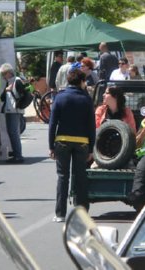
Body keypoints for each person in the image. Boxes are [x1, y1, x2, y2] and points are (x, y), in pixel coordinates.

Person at [48, 69, 95, 222]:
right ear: (81, 82)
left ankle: (60, 214)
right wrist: (91, 147)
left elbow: (52, 123)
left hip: (62, 141)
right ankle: (82, 212)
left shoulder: (60, 97)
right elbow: (91, 125)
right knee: (80, 176)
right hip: (82, 143)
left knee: (63, 176)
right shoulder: (86, 99)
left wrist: (51, 145)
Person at [0, 63, 25, 164]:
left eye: (3, 74)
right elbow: (2, 97)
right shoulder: (10, 82)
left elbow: (23, 95)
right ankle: (16, 154)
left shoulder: (17, 81)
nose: (3, 77)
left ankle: (18, 155)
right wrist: (6, 91)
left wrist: (18, 105)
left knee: (13, 132)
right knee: (12, 132)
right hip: (10, 110)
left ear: (9, 73)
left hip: (14, 110)